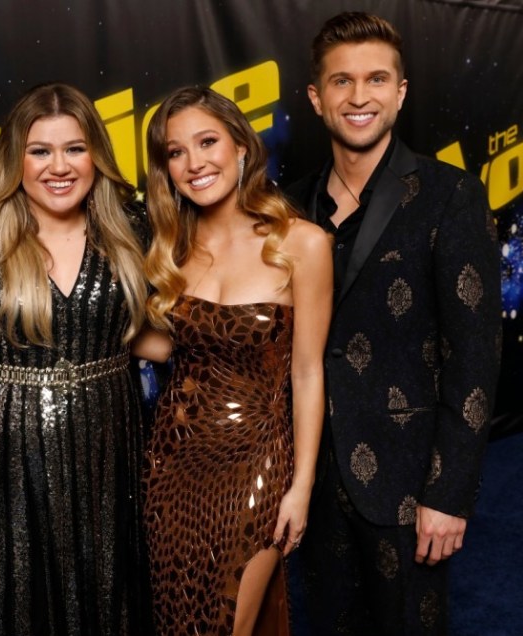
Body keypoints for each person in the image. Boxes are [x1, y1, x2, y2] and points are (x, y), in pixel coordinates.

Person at [284, 12, 502, 635]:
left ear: (400, 92)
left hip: (409, 482)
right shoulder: (289, 206)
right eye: (342, 81)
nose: (359, 97)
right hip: (313, 477)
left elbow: (476, 357)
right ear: (316, 97)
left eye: (376, 79)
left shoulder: (450, 195)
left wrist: (449, 493)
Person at [0, 82, 153, 636]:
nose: (58, 166)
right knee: (11, 601)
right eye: (40, 151)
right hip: (3, 459)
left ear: (97, 156)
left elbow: (181, 330)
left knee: (109, 599)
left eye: (75, 149)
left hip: (112, 451)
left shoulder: (136, 230)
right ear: (16, 158)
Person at [133, 86, 333, 636]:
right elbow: (174, 348)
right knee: (175, 620)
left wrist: (301, 486)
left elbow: (308, 372)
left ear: (241, 145)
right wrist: (96, 332)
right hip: (171, 464)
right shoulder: (170, 247)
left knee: (222, 625)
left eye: (206, 142)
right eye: (176, 152)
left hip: (256, 464)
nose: (194, 163)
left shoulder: (303, 243)